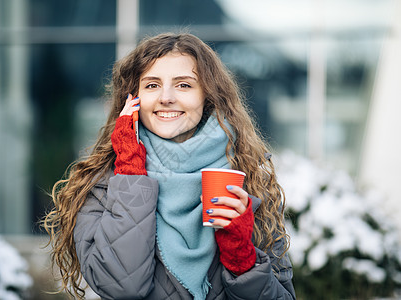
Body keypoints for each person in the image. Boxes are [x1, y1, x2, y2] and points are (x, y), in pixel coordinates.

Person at [43, 32, 296, 300]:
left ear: (207, 96)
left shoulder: (249, 179)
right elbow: (122, 287)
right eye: (152, 85)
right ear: (133, 99)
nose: (166, 97)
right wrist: (130, 172)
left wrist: (242, 259)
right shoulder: (102, 185)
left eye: (184, 85)